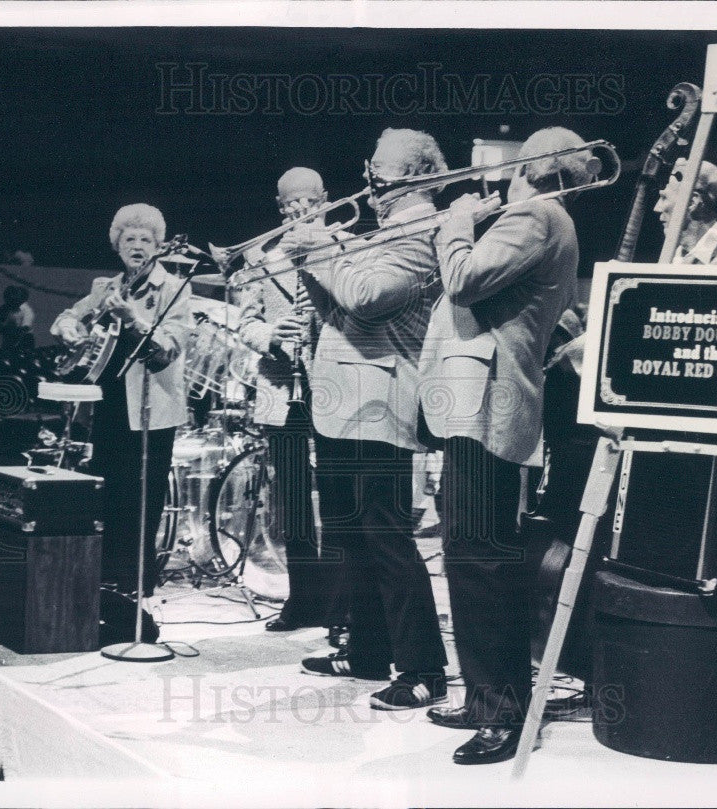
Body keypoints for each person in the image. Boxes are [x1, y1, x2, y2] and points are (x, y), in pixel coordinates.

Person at [418, 127, 586, 764]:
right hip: (477, 403)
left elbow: (462, 280)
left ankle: (502, 713)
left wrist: (456, 223)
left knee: (482, 561)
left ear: (536, 167)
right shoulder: (543, 217)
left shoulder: (537, 215)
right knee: (466, 555)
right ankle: (484, 692)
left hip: (489, 405)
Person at [297, 129, 449, 711]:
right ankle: (366, 650)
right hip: (341, 397)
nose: (368, 181)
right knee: (349, 534)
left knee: (385, 536)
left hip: (381, 402)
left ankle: (423, 669)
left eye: (380, 171)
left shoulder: (420, 229)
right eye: (370, 166)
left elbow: (368, 296)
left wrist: (319, 252)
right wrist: (313, 271)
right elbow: (339, 309)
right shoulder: (383, 230)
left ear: (413, 175)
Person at [51, 203, 191, 598]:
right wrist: (69, 330)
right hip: (110, 401)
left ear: (159, 246)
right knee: (109, 491)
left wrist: (132, 319)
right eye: (129, 238)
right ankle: (107, 580)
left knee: (143, 498)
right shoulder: (106, 287)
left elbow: (167, 351)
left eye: (146, 239)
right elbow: (65, 317)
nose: (138, 245)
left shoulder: (175, 287)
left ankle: (137, 584)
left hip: (153, 407)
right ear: (117, 245)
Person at [234, 167, 348, 634]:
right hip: (282, 391)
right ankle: (305, 599)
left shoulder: (341, 248)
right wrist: (271, 337)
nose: (299, 210)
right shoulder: (260, 259)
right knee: (293, 502)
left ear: (324, 199)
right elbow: (246, 323)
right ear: (279, 208)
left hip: (334, 388)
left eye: (308, 202)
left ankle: (342, 609)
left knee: (341, 499)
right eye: (289, 205)